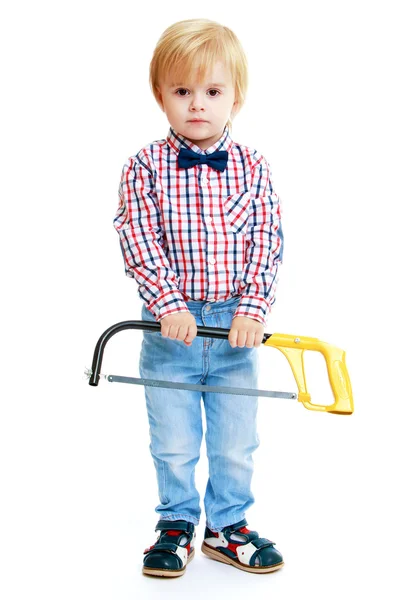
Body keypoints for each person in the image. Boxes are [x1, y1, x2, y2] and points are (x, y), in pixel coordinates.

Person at [113, 18, 284, 577]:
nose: (197, 105)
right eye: (182, 91)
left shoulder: (253, 169)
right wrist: (168, 304)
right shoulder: (145, 167)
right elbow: (137, 237)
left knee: (236, 441)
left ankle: (227, 527)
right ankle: (177, 522)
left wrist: (252, 310)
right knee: (174, 441)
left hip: (236, 333)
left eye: (212, 91)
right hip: (171, 335)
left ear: (237, 96)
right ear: (159, 95)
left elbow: (267, 242)